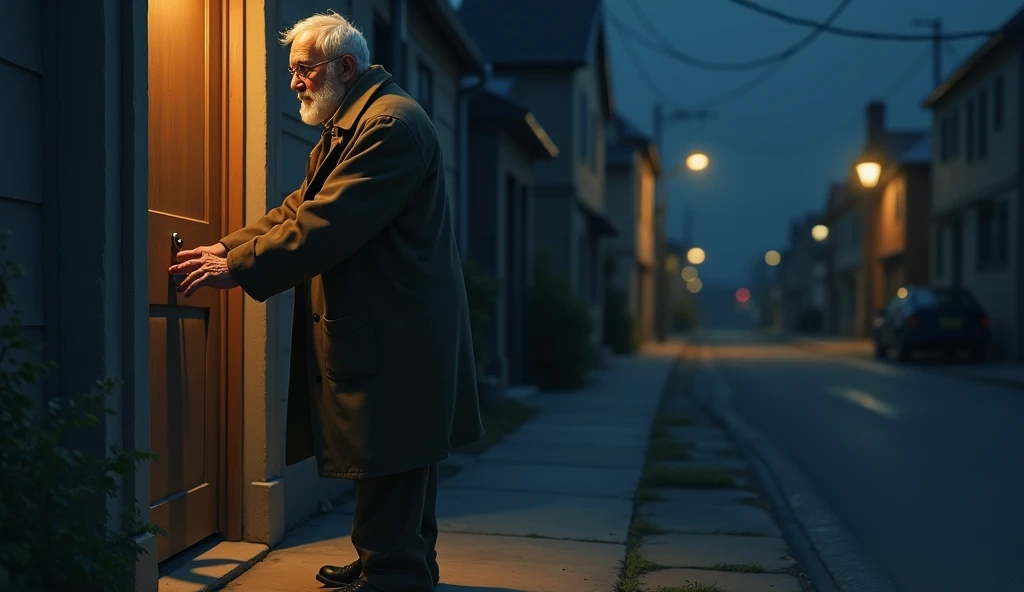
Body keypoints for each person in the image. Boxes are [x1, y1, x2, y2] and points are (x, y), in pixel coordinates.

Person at [168, 11, 483, 592]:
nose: (295, 82)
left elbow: (327, 221)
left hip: (398, 326)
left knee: (392, 452)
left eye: (304, 69)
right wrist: (229, 246)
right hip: (391, 321)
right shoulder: (355, 123)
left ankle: (395, 575)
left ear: (345, 66)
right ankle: (388, 562)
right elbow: (298, 207)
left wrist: (239, 267)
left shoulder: (388, 126)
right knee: (385, 449)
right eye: (292, 71)